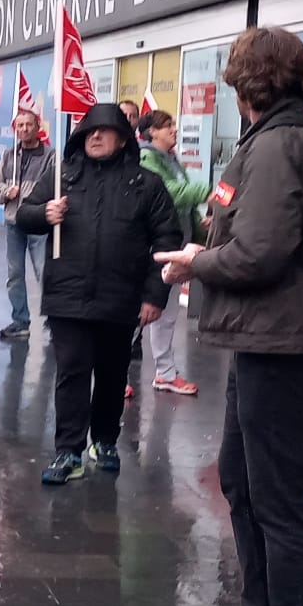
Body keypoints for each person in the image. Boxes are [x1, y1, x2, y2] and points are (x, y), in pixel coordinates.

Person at [154, 27, 303, 606]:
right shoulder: (286, 137)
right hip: (270, 337)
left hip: (283, 342)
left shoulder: (276, 146)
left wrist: (198, 262)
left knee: (277, 500)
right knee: (241, 481)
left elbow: (259, 252)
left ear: (246, 86)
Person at [22, 104, 182, 484]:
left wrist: (155, 295)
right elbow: (23, 213)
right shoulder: (62, 177)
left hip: (121, 298)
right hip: (67, 296)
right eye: (89, 131)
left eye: (104, 131)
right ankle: (68, 451)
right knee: (72, 372)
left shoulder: (146, 184)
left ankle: (105, 441)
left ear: (123, 138)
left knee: (111, 374)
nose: (94, 136)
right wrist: (44, 214)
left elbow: (167, 239)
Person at [136, 109, 207, 396]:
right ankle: (111, 376)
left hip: (177, 244)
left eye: (174, 125)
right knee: (140, 310)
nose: (174, 130)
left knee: (166, 314)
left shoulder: (172, 160)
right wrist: (208, 191)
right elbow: (168, 193)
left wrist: (201, 231)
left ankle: (165, 373)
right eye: (168, 127)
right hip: (154, 246)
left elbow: (183, 204)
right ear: (151, 132)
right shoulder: (146, 159)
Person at [0, 110, 53, 340]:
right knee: (15, 273)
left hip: (38, 222)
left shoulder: (50, 157)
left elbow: (55, 187)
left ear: (38, 126)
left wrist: (32, 199)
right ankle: (20, 320)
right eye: (20, 125)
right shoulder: (8, 156)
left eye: (29, 124)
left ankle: (53, 319)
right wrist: (7, 191)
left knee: (44, 271)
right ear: (15, 128)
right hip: (14, 222)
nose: (24, 129)